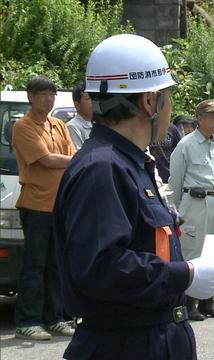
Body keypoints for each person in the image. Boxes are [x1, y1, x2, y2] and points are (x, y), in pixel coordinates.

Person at [53, 34, 214, 358]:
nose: (170, 107)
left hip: (148, 339)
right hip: (125, 345)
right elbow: (101, 268)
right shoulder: (101, 168)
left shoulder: (129, 161)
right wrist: (184, 274)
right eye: (168, 97)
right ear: (150, 102)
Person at [12, 75, 76, 341]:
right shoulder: (23, 126)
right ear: (31, 97)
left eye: (52, 94)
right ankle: (28, 321)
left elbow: (71, 153)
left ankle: (55, 317)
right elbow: (47, 160)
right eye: (43, 94)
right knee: (35, 265)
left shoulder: (58, 124)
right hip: (36, 204)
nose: (49, 99)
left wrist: (73, 158)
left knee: (56, 264)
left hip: (59, 204)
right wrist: (74, 158)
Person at [169, 99, 214, 320]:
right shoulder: (186, 144)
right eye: (213, 116)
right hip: (194, 203)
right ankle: (189, 302)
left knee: (213, 252)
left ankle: (208, 301)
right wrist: (177, 212)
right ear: (200, 118)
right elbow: (175, 181)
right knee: (193, 252)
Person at [149, 119, 181, 183]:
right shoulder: (147, 127)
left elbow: (179, 151)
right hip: (151, 173)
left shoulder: (172, 129)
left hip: (169, 174)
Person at [66, 82, 93, 150]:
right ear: (77, 105)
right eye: (88, 98)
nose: (92, 102)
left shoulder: (100, 123)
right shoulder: (72, 127)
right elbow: (78, 156)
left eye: (93, 98)